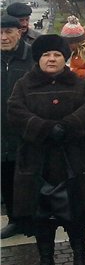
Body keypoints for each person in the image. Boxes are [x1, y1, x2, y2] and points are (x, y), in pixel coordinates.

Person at [7, 35, 85, 265]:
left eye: (57, 55)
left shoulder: (78, 83)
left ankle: (80, 260)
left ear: (64, 58)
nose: (51, 59)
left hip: (71, 160)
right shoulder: (24, 85)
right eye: (46, 55)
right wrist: (45, 128)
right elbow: (15, 111)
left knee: (76, 215)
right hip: (37, 162)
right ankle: (46, 263)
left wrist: (67, 126)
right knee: (41, 216)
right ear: (38, 59)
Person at [1, 15, 34, 239]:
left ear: (19, 32)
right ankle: (14, 220)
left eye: (8, 32)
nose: (3, 38)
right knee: (6, 177)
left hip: (27, 130)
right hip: (2, 133)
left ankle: (34, 219)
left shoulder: (32, 57)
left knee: (30, 177)